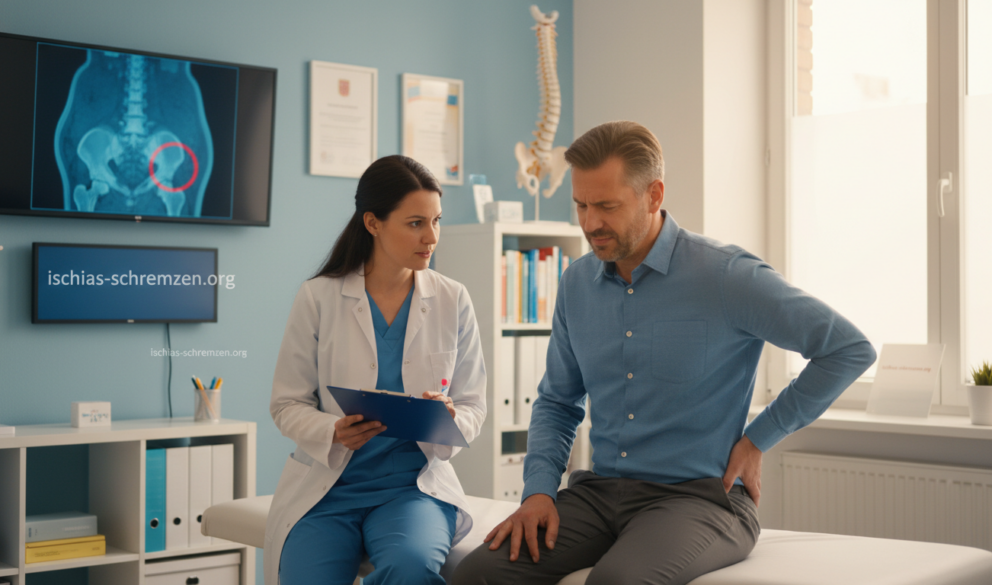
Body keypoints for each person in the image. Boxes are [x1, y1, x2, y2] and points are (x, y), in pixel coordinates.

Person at [452, 121, 877, 585]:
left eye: (607, 206)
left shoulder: (726, 276)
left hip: (699, 499)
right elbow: (558, 402)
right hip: (599, 495)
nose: (591, 223)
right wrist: (537, 492)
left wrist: (759, 439)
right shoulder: (576, 284)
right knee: (478, 574)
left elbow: (847, 348)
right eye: (581, 205)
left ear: (653, 195)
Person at [264, 155, 487, 585]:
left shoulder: (452, 298)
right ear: (373, 223)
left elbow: (473, 403)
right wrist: (332, 430)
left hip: (414, 489)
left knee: (411, 568)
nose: (432, 237)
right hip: (328, 489)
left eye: (437, 221)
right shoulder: (318, 298)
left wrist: (449, 417)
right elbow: (286, 404)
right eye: (416, 223)